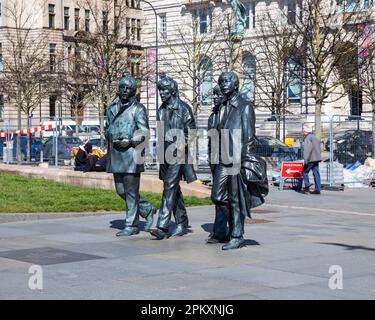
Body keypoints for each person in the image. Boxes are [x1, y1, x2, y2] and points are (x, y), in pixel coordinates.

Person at [211, 72, 268, 250]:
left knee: (235, 198)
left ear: (236, 85)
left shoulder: (245, 107)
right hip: (222, 158)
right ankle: (235, 226)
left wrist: (245, 162)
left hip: (237, 158)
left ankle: (237, 234)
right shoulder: (221, 107)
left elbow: (249, 137)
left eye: (227, 81)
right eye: (221, 82)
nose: (223, 84)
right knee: (218, 197)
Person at [105, 76, 156, 236]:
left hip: (131, 154)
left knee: (131, 191)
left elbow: (145, 132)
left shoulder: (138, 108)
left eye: (128, 88)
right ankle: (147, 209)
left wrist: (130, 141)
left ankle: (131, 225)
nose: (124, 91)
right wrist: (110, 136)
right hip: (116, 153)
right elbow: (108, 127)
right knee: (121, 190)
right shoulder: (111, 107)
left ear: (133, 91)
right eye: (122, 87)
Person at [150, 76, 197, 240]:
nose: (162, 93)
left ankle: (162, 226)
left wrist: (180, 145)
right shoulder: (161, 110)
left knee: (169, 188)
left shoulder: (184, 108)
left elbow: (191, 132)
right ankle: (182, 222)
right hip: (165, 154)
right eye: (160, 90)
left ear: (173, 90)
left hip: (178, 153)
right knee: (174, 190)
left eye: (164, 90)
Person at [206, 85, 229, 244]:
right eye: (213, 95)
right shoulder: (213, 115)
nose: (214, 97)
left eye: (217, 94)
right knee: (219, 197)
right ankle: (220, 230)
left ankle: (233, 226)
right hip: (215, 159)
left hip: (228, 160)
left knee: (220, 195)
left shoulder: (230, 113)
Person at [296, 124, 322, 194]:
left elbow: (307, 150)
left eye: (303, 130)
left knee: (304, 172)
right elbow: (318, 148)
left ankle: (307, 186)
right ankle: (318, 189)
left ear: (305, 131)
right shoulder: (314, 137)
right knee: (316, 173)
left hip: (310, 158)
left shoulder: (308, 138)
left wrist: (305, 160)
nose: (303, 132)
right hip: (317, 158)